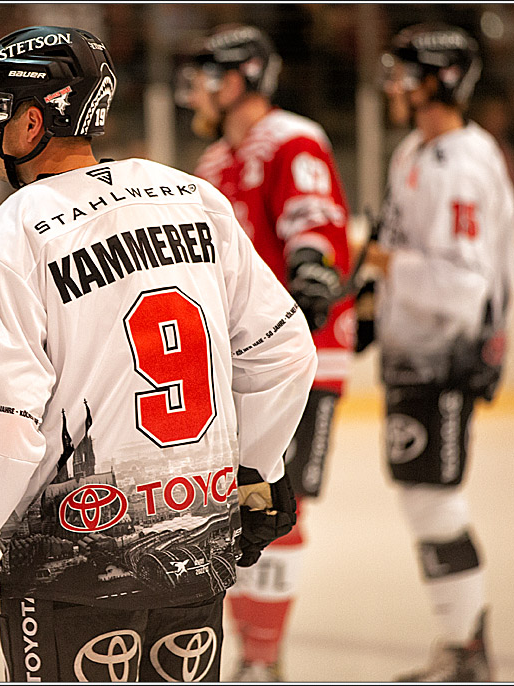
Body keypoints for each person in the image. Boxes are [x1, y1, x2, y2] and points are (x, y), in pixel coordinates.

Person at [0, 26, 318, 683]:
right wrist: (255, 469)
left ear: (33, 121)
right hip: (196, 550)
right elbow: (285, 351)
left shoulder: (8, 237)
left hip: (70, 571)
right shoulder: (193, 197)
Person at [174, 24, 354, 682]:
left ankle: (261, 660)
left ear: (242, 76)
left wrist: (312, 270)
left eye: (208, 74)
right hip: (240, 363)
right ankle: (254, 653)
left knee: (278, 502)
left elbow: (313, 223)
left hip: (299, 358)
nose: (196, 88)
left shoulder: (292, 138)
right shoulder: (213, 164)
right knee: (238, 503)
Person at [355, 23, 514, 682]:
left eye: (403, 73)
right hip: (412, 354)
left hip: (445, 356)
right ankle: (460, 644)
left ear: (437, 83)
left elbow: (460, 287)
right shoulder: (416, 153)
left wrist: (382, 261)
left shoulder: (460, 167)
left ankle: (468, 650)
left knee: (434, 500)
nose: (391, 85)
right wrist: (369, 304)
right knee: (422, 497)